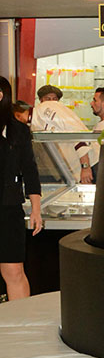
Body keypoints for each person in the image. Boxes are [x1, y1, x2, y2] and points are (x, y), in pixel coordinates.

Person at [0, 76, 43, 301]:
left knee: (14, 271)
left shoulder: (18, 131)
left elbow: (30, 171)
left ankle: (21, 319)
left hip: (8, 210)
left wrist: (36, 209)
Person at [31, 89, 98, 185]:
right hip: (75, 170)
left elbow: (77, 134)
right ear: (41, 100)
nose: (52, 102)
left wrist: (85, 167)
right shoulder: (40, 117)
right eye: (48, 99)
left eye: (55, 99)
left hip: (90, 164)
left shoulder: (55, 111)